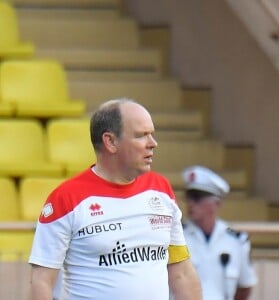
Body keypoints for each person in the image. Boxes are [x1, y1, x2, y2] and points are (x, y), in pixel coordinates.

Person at [28, 98, 202, 300]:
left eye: (151, 134)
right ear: (110, 141)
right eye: (141, 136)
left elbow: (181, 272)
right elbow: (41, 281)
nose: (153, 144)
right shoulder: (65, 199)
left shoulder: (161, 190)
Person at [182, 165, 257, 300]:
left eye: (197, 198)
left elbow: (244, 286)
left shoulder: (236, 241)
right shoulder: (176, 237)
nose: (190, 203)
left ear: (216, 203)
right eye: (188, 197)